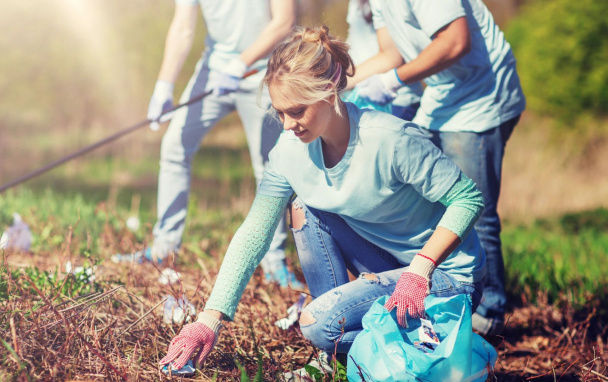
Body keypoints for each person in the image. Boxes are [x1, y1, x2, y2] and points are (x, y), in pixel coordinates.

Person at [157, 26, 486, 378]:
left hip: (445, 274)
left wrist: (421, 270)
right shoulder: (288, 153)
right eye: (279, 112)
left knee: (316, 323)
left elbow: (468, 199)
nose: (287, 125)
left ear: (330, 90)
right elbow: (255, 230)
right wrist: (209, 319)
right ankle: (355, 353)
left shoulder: (390, 139)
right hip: (383, 262)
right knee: (304, 209)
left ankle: (384, 344)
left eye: (296, 110)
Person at [350, 0, 526, 335]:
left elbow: (456, 42)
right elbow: (391, 53)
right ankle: (435, 292)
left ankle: (489, 312)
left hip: (482, 96)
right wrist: (327, 80)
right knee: (424, 197)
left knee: (473, 206)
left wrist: (394, 80)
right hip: (443, 95)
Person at [113, 0, 301, 287]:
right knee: (174, 147)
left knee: (270, 167)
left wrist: (242, 62)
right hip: (213, 70)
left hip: (267, 70)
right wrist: (164, 85)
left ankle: (274, 262)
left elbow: (284, 21)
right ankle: (164, 249)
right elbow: (182, 28)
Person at [345, 0, 423, 120]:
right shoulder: (356, 3)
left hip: (393, 102)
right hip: (362, 99)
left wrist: (340, 80)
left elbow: (392, 57)